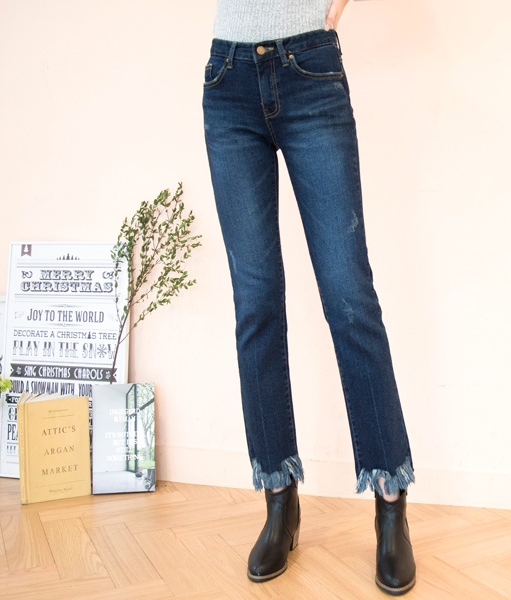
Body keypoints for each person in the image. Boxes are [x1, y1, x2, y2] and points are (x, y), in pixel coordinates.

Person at [203, 0, 416, 594]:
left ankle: (391, 502)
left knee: (349, 298)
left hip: (310, 70)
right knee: (256, 303)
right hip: (227, 81)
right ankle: (279, 499)